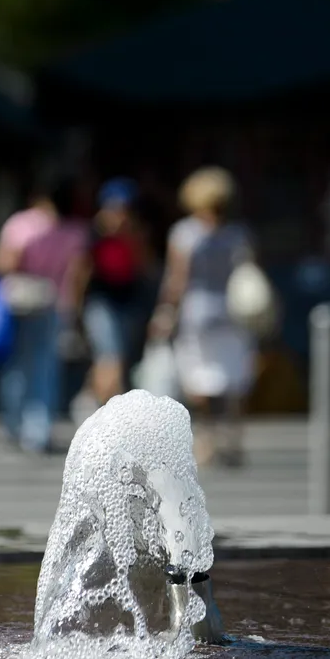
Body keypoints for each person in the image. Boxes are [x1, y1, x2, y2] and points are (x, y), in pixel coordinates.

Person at [150, 167, 256, 467]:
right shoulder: (239, 234)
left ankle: (207, 440)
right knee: (233, 379)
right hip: (234, 312)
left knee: (198, 379)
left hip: (196, 312)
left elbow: (177, 279)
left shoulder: (185, 234)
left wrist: (165, 312)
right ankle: (233, 438)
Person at [0, 176, 90, 454]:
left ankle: (14, 423)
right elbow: (78, 275)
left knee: (16, 366)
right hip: (55, 302)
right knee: (45, 368)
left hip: (20, 300)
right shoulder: (75, 232)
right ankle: (38, 430)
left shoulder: (22, 224)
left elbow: (5, 263)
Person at [71, 178, 154, 422]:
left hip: (129, 301)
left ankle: (89, 399)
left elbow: (146, 267)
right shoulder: (92, 234)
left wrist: (131, 238)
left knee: (116, 358)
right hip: (100, 302)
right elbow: (80, 272)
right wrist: (74, 308)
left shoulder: (137, 232)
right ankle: (110, 415)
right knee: (111, 357)